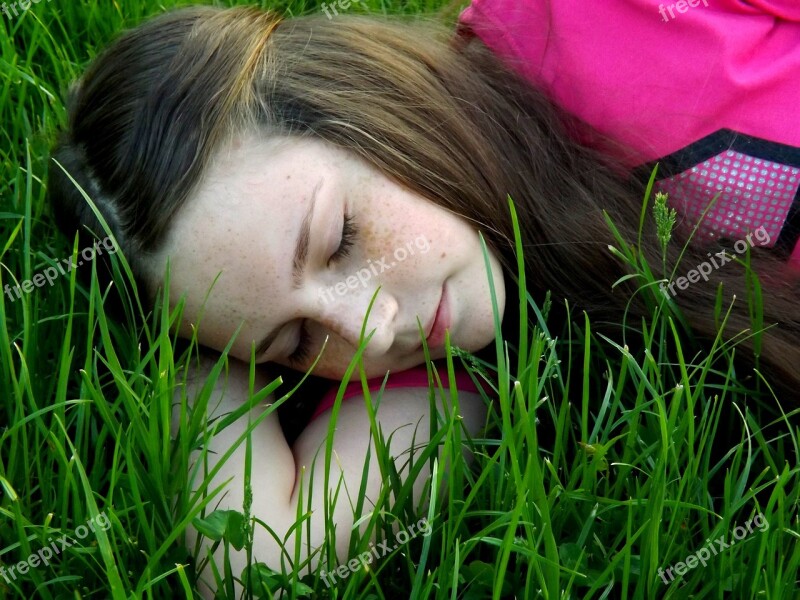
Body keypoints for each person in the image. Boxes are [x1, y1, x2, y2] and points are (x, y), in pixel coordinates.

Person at [46, 1, 800, 594]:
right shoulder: (455, 361)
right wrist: (197, 355)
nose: (370, 332)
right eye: (297, 341)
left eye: (340, 238)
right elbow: (264, 564)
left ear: (367, 98)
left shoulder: (596, 14)